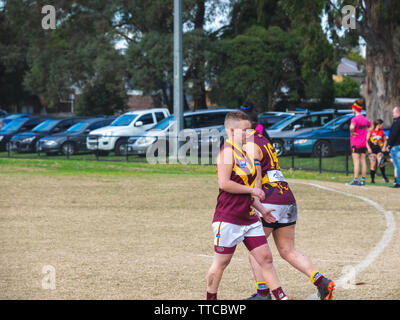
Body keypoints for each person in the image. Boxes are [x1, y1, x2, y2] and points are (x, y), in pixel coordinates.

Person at [206, 110, 292, 300]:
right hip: (229, 218)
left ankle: (281, 297)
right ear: (231, 130)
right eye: (245, 130)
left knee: (265, 259)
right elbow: (224, 183)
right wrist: (253, 190)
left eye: (251, 130)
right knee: (221, 263)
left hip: (250, 217)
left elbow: (246, 188)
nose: (250, 134)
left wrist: (262, 209)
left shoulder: (245, 153)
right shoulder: (226, 152)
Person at [243, 127, 335, 300]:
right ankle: (321, 282)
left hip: (269, 198)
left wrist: (255, 195)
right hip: (286, 197)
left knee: (256, 250)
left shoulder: (250, 143)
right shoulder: (265, 140)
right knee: (287, 250)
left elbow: (257, 172)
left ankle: (263, 294)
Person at [348, 99, 372, 186]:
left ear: (354, 109)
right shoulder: (365, 119)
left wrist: (351, 132)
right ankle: (363, 180)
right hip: (363, 144)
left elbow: (352, 127)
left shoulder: (354, 119)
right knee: (363, 162)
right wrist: (367, 131)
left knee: (356, 162)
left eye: (352, 108)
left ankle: (355, 180)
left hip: (356, 144)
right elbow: (371, 125)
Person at [367, 119, 389, 183]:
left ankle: (384, 177)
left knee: (381, 162)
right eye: (382, 124)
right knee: (373, 164)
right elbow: (366, 141)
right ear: (378, 125)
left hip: (379, 150)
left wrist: (384, 147)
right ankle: (372, 180)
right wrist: (368, 148)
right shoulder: (371, 131)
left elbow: (385, 141)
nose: (382, 125)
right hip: (372, 150)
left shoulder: (382, 131)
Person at [383, 106, 400, 188]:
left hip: (396, 146)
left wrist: (389, 145)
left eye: (394, 112)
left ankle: (398, 182)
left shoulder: (397, 122)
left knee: (397, 165)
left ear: (398, 113)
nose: (393, 114)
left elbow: (394, 134)